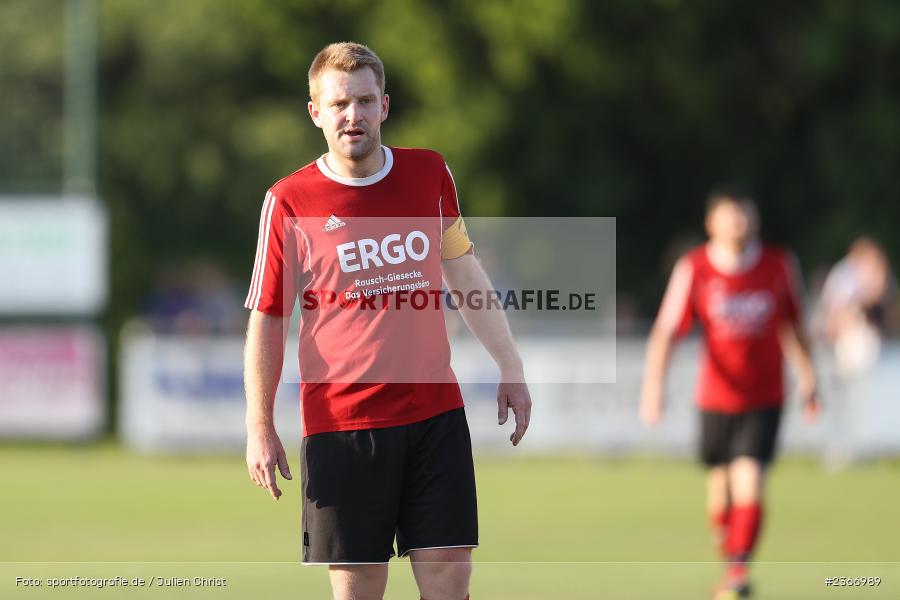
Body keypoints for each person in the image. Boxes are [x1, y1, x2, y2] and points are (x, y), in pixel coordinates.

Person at [242, 42, 531, 600]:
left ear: (384, 106)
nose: (353, 114)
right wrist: (260, 423)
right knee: (360, 588)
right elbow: (267, 318)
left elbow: (463, 271)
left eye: (365, 101)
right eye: (339, 103)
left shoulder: (429, 173)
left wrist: (511, 367)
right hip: (343, 425)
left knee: (451, 577)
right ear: (316, 112)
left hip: (434, 414)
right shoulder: (289, 201)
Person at [640, 185, 820, 599]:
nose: (739, 222)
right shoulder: (695, 267)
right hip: (715, 398)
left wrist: (809, 377)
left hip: (764, 397)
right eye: (730, 214)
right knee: (719, 491)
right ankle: (730, 566)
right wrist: (654, 386)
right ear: (712, 222)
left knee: (749, 479)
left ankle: (738, 572)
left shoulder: (779, 265)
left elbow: (794, 325)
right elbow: (667, 331)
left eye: (745, 213)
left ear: (756, 219)